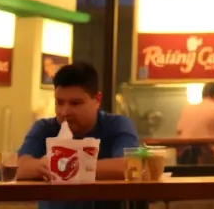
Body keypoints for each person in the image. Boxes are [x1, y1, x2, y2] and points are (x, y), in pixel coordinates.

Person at [17, 61, 140, 209]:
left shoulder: (116, 125)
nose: (64, 112)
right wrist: (39, 167)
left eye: (75, 103)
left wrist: (65, 166)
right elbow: (20, 167)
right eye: (59, 102)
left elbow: (129, 166)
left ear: (97, 100)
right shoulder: (44, 128)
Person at [175, 82, 214, 164]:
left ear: (202, 95)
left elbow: (179, 131)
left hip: (183, 159)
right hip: (207, 160)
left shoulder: (187, 109)